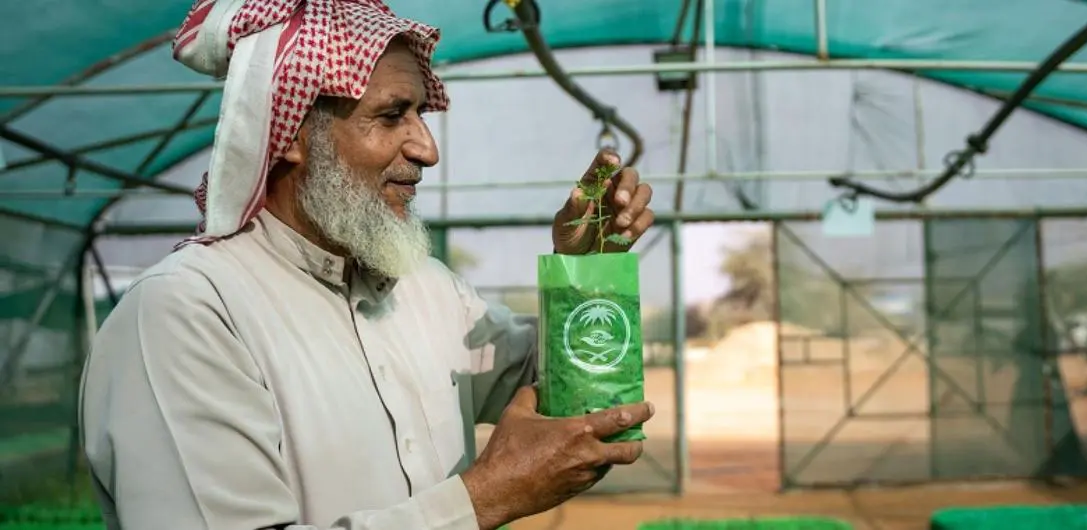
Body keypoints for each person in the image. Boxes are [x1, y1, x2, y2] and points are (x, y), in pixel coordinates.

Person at [76, 1, 657, 529]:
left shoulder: (425, 288)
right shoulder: (185, 315)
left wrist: (583, 276)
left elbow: (547, 381)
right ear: (292, 133)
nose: (427, 148)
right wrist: (483, 499)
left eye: (420, 115)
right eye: (391, 116)